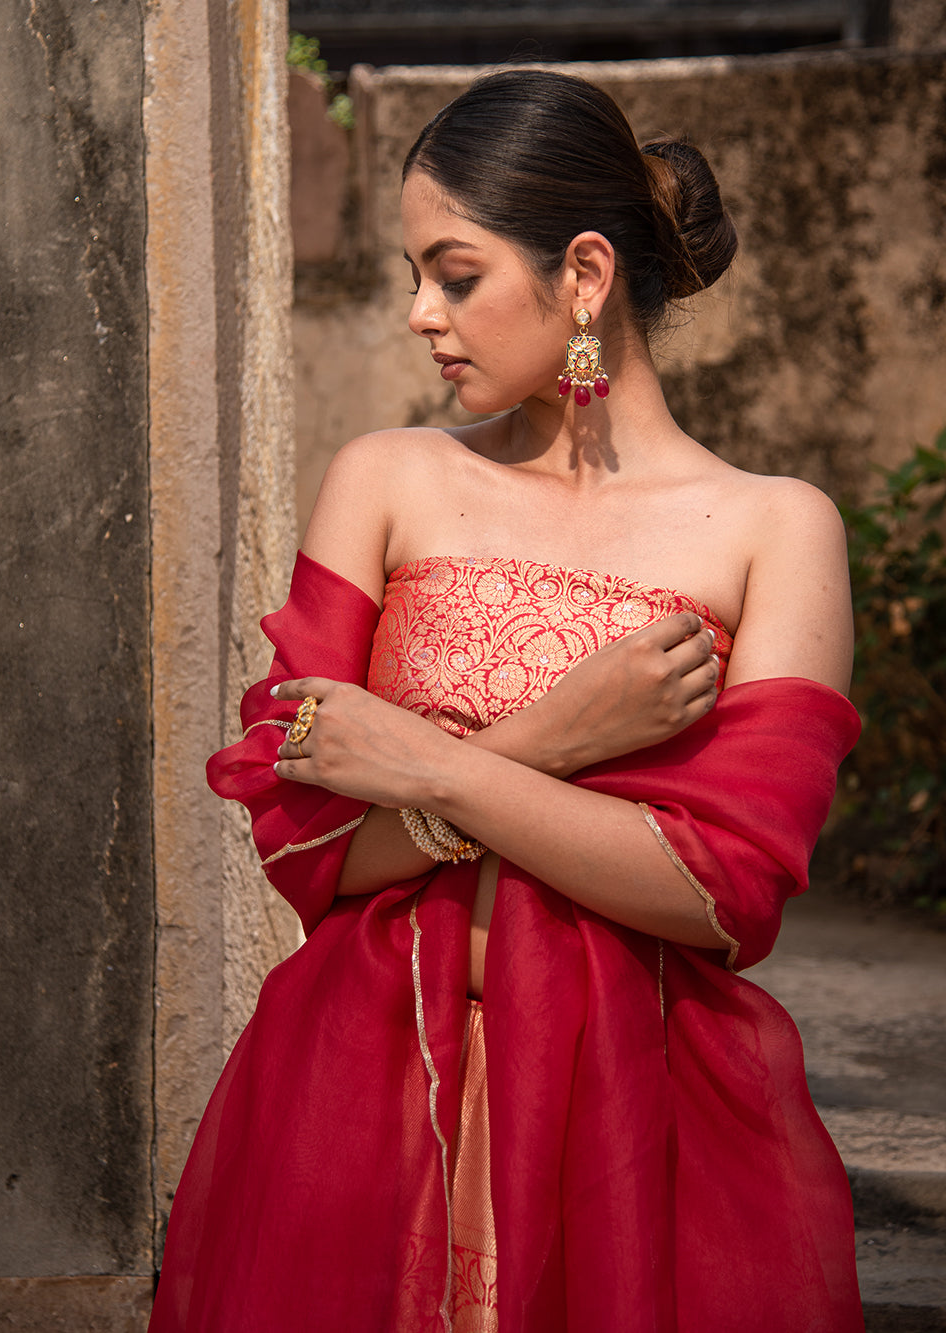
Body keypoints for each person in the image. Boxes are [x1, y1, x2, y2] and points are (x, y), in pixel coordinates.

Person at [148, 69, 864, 1332]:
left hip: (630, 1120)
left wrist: (432, 766)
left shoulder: (774, 531)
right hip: (354, 1101)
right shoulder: (386, 479)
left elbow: (723, 894)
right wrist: (556, 739)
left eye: (456, 273)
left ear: (583, 276)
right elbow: (307, 848)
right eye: (413, 273)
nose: (421, 314)